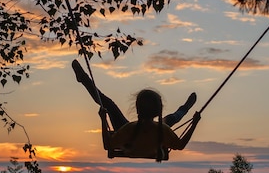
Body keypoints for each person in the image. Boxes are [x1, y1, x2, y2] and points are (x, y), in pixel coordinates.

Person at [72, 59, 201, 160]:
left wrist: (103, 119)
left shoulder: (128, 129)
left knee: (108, 104)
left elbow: (108, 145)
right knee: (173, 118)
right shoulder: (163, 130)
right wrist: (194, 123)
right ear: (158, 111)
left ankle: (84, 80)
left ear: (137, 109)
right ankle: (186, 107)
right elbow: (180, 145)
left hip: (131, 138)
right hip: (156, 137)